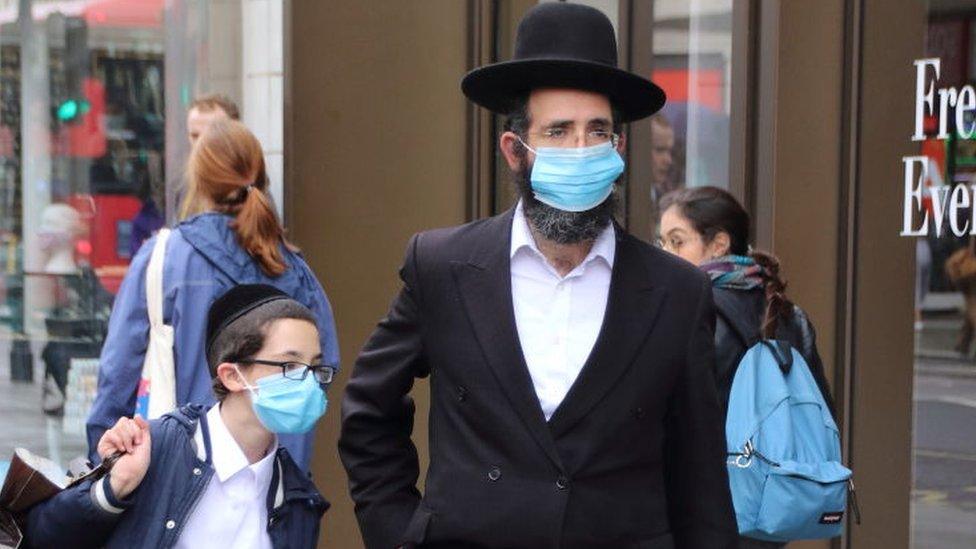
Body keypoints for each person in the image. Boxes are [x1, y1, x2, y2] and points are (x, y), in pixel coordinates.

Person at [338, 4, 737, 548]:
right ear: (514, 150)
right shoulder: (442, 266)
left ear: (617, 148)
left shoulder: (678, 290)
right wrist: (402, 534)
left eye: (597, 131)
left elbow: (701, 476)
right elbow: (369, 412)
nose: (580, 150)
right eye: (557, 131)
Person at [87, 119, 339, 471]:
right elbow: (322, 369)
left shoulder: (164, 258)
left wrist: (100, 460)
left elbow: (118, 374)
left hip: (179, 477)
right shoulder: (293, 269)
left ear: (200, 182)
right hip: (275, 476)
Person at [25, 284, 332, 549]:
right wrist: (113, 489)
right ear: (232, 376)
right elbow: (42, 536)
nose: (309, 381)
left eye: (315, 367)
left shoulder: (298, 498)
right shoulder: (152, 448)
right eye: (290, 367)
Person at [658, 186, 835, 549]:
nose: (666, 254)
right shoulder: (788, 313)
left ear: (719, 244)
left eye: (677, 242)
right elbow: (821, 412)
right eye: (662, 243)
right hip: (770, 501)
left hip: (698, 508)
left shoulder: (688, 310)